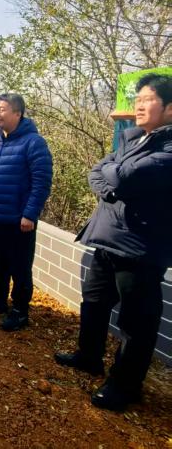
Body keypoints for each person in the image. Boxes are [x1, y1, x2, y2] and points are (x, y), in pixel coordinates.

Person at [54, 74, 172, 412]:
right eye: (138, 99)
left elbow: (123, 176)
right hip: (107, 238)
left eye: (148, 99)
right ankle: (88, 357)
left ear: (169, 108)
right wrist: (113, 181)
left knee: (136, 322)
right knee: (94, 302)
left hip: (139, 247)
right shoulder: (134, 139)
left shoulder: (168, 148)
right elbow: (98, 172)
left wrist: (114, 176)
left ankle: (125, 386)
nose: (139, 105)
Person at [0, 93, 52, 331]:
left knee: (19, 266)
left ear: (18, 113)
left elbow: (41, 182)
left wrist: (30, 214)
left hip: (19, 219)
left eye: (2, 109)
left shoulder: (34, 143)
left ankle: (20, 310)